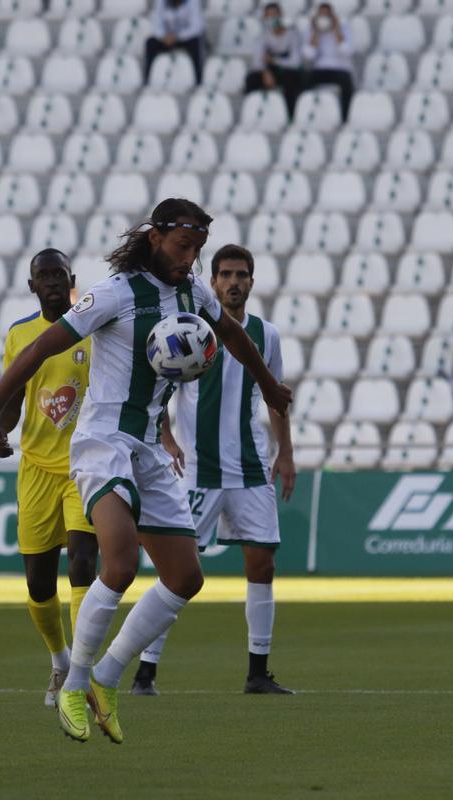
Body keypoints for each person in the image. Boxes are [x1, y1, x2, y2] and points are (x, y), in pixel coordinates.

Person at [0, 199, 292, 745]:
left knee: (186, 578)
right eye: (185, 247)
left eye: (198, 249)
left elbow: (231, 334)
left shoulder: (193, 293)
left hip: (149, 449)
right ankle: (74, 680)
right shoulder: (115, 292)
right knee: (116, 562)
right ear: (156, 238)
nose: (191, 259)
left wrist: (269, 386)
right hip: (103, 442)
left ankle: (107, 678)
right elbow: (42, 347)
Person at [131, 244, 297, 697]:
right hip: (198, 471)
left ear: (251, 281)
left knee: (262, 563)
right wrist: (165, 436)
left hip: (248, 467)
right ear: (214, 281)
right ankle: (145, 672)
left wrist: (285, 452)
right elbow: (155, 385)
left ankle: (257, 673)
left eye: (241, 274)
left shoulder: (267, 335)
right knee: (176, 572)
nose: (233, 282)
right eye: (225, 274)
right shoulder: (191, 331)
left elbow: (274, 396)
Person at [0, 249, 99, 708]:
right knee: (38, 582)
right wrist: (0, 426)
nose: (53, 281)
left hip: (84, 465)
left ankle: (81, 672)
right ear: (32, 286)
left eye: (59, 274)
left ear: (72, 279)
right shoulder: (19, 335)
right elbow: (15, 392)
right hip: (36, 467)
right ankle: (59, 659)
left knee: (81, 563)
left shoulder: (95, 328)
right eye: (44, 276)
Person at [245, 3, 303, 119]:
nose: (271, 18)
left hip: (288, 71)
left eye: (274, 15)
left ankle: (291, 117)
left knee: (292, 81)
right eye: (268, 16)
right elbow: (257, 60)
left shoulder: (292, 34)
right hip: (270, 71)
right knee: (251, 79)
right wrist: (265, 72)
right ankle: (251, 114)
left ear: (280, 15)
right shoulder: (263, 36)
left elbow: (295, 62)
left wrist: (274, 60)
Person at [301, 2, 354, 122]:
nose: (324, 18)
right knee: (303, 80)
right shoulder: (311, 31)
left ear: (332, 16)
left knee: (346, 83)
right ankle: (304, 115)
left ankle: (345, 117)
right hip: (319, 69)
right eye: (321, 15)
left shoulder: (344, 29)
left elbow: (347, 51)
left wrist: (336, 30)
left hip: (340, 69)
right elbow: (308, 55)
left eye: (327, 15)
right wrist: (315, 32)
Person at [145, 0, 206, 87]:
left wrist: (177, 36)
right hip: (167, 38)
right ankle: (147, 80)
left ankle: (198, 81)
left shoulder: (193, 2)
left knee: (196, 43)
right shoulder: (161, 2)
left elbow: (197, 26)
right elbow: (156, 24)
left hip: (185, 38)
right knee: (150, 43)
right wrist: (164, 36)